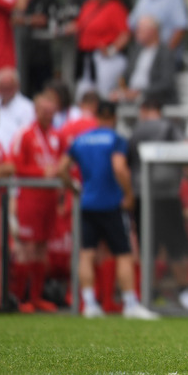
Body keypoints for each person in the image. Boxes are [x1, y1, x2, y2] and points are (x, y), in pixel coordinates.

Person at [58, 101, 158, 320]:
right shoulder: (116, 139)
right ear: (114, 118)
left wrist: (72, 187)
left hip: (87, 203)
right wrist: (129, 194)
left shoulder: (81, 140)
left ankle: (89, 304)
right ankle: (131, 304)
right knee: (123, 254)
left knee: (87, 254)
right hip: (111, 204)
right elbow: (119, 167)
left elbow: (61, 167)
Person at [127, 96, 188, 311]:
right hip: (166, 194)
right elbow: (186, 150)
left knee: (148, 245)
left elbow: (127, 160)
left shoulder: (139, 131)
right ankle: (183, 291)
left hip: (143, 195)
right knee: (176, 246)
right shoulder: (168, 127)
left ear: (148, 109)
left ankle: (149, 292)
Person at [10, 93, 63, 313]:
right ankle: (18, 299)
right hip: (30, 199)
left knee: (42, 249)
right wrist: (42, 172)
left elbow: (60, 164)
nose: (48, 115)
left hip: (49, 200)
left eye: (51, 112)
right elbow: (15, 166)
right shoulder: (24, 134)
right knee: (27, 248)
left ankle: (36, 297)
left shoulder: (56, 136)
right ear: (36, 110)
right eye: (44, 111)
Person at [64, 0, 130, 100]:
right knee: (83, 95)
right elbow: (80, 24)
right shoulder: (89, 5)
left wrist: (111, 50)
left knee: (103, 96)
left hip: (105, 59)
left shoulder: (115, 7)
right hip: (87, 59)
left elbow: (125, 34)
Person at [114, 16, 176, 104]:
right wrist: (121, 90)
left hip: (154, 99)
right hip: (131, 97)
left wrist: (140, 92)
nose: (136, 33)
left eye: (140, 30)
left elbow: (166, 83)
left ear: (153, 31)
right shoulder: (136, 50)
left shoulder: (165, 53)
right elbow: (126, 75)